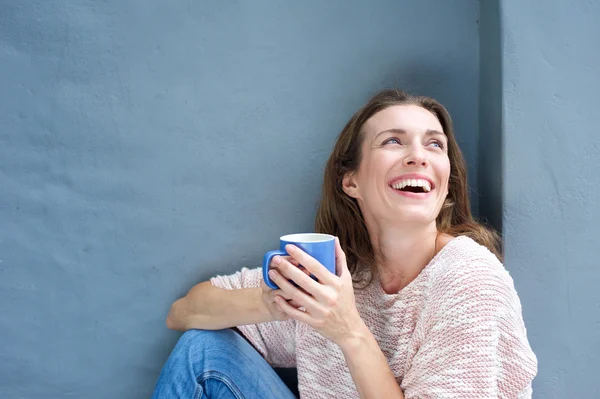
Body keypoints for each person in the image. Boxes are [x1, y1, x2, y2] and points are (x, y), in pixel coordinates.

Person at [151, 89, 538, 399]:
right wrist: (277, 302)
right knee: (201, 350)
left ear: (446, 181)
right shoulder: (341, 278)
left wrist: (348, 330)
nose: (418, 156)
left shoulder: (469, 278)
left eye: (434, 145)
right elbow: (183, 312)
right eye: (393, 141)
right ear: (350, 182)